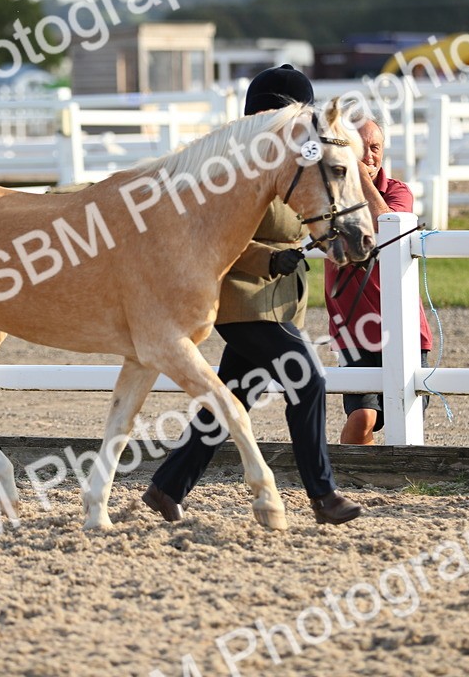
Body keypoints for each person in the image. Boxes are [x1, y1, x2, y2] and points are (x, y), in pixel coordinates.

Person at [141, 65, 363, 526]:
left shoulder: (293, 159)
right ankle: (322, 495)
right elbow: (214, 235)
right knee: (308, 379)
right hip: (243, 299)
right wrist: (266, 259)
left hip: (281, 300)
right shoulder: (234, 164)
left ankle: (167, 488)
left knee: (233, 399)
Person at [325, 118, 433, 444]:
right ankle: (344, 480)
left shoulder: (399, 191)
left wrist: (360, 177)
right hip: (353, 330)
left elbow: (386, 225)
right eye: (361, 148)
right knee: (362, 418)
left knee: (405, 417)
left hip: (404, 329)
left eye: (375, 148)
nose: (369, 157)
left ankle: (391, 481)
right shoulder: (326, 194)